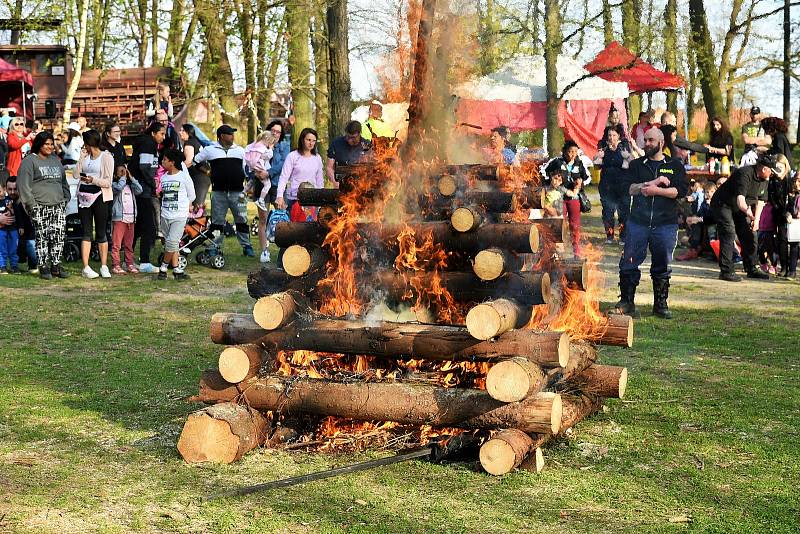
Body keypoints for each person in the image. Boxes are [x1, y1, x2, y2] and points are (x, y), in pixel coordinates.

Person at [615, 128, 688, 319]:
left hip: (665, 223)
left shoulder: (675, 165)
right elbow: (630, 189)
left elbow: (679, 191)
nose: (646, 143)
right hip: (638, 221)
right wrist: (647, 185)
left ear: (661, 142)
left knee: (662, 263)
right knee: (629, 261)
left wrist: (657, 191)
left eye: (650, 140)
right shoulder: (637, 165)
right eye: (645, 140)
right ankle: (627, 302)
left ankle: (660, 304)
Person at [711, 153, 779, 282]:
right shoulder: (745, 174)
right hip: (723, 204)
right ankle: (726, 271)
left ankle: (752, 267)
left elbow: (761, 201)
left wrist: (756, 220)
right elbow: (740, 199)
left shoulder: (765, 179)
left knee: (749, 233)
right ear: (764, 169)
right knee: (728, 232)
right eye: (771, 171)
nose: (772, 174)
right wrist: (749, 213)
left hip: (741, 207)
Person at [194, 124, 255, 257]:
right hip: (218, 192)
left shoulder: (240, 150)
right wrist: (207, 171)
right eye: (230, 134)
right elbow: (195, 161)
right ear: (222, 136)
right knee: (217, 222)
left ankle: (247, 246)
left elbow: (248, 168)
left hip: (238, 192)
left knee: (242, 220)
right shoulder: (210, 150)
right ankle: (214, 246)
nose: (233, 136)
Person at [16, 132, 71, 279]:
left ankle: (56, 265)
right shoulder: (29, 161)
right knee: (42, 237)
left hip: (58, 204)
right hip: (39, 205)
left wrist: (66, 197)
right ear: (39, 144)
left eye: (51, 144)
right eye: (46, 144)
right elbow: (23, 185)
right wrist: (31, 205)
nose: (50, 147)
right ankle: (44, 266)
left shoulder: (55, 160)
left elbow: (63, 181)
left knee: (58, 236)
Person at [73, 129, 114, 279]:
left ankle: (104, 265)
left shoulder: (106, 157)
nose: (84, 146)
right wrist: (81, 158)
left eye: (85, 142)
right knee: (87, 231)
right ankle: (86, 267)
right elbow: (76, 175)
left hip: (100, 196)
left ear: (90, 142)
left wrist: (93, 180)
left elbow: (108, 181)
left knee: (101, 232)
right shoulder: (85, 156)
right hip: (84, 196)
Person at [130, 122, 166, 273]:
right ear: (153, 133)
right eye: (161, 134)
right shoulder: (148, 144)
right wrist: (153, 185)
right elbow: (144, 167)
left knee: (138, 228)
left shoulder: (148, 143)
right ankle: (144, 261)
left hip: (143, 189)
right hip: (142, 190)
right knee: (150, 228)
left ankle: (128, 258)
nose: (163, 137)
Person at [157, 148, 195, 280]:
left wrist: (183, 207)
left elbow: (192, 196)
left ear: (172, 162)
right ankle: (177, 270)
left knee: (172, 242)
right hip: (165, 215)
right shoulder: (164, 178)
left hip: (179, 215)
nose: (162, 162)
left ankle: (163, 267)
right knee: (170, 243)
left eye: (164, 160)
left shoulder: (184, 177)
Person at [545, 140, 588, 256]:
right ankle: (558, 250)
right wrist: (553, 181)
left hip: (574, 197)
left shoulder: (579, 164)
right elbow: (546, 172)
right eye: (570, 151)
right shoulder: (557, 162)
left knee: (575, 224)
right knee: (560, 222)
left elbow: (586, 177)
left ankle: (576, 250)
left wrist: (579, 183)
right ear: (564, 152)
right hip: (559, 197)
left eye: (575, 151)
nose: (572, 154)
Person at [256, 120, 290, 264]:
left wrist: (268, 173)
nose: (275, 134)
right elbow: (250, 159)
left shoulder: (284, 146)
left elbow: (283, 164)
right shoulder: (259, 145)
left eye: (278, 132)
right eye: (273, 131)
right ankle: (264, 251)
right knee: (263, 219)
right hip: (261, 185)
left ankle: (285, 251)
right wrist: (256, 172)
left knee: (282, 217)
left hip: (277, 185)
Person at [594, 128, 633, 243]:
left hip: (623, 186)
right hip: (607, 186)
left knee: (624, 212)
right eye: (609, 135)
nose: (611, 138)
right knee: (607, 212)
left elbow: (633, 163)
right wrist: (597, 157)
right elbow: (596, 166)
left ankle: (623, 237)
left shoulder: (624, 148)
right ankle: (609, 236)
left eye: (614, 135)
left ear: (619, 136)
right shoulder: (603, 150)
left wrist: (627, 156)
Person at [276, 128, 324, 213]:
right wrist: (279, 196)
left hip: (312, 199)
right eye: (308, 140)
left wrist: (321, 197)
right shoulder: (292, 156)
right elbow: (284, 177)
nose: (311, 143)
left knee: (312, 225)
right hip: (294, 199)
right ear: (302, 140)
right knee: (294, 225)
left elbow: (319, 180)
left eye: (314, 141)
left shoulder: (317, 158)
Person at [110, 166, 142, 274]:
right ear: (115, 174)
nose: (124, 173)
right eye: (121, 172)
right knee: (117, 244)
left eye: (125, 171)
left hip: (131, 219)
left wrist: (131, 177)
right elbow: (119, 188)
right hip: (119, 219)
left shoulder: (130, 186)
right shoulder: (114, 185)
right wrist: (123, 177)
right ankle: (116, 265)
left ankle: (129, 263)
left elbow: (140, 189)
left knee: (129, 244)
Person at [3, 177, 38, 273]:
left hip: (27, 235)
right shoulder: (3, 201)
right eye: (10, 189)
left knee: (31, 244)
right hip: (7, 234)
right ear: (6, 189)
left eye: (15, 189)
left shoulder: (27, 201)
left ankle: (32, 264)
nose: (12, 192)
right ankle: (4, 265)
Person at [246, 130, 277, 212]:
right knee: (267, 185)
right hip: (260, 169)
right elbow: (269, 156)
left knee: (252, 181)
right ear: (267, 139)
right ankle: (261, 200)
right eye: (270, 142)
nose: (269, 145)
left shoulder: (255, 145)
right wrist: (270, 148)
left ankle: (243, 193)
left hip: (255, 168)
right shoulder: (262, 148)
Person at [180, 124, 209, 209]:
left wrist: (177, 171)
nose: (180, 132)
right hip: (203, 176)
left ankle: (201, 221)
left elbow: (189, 161)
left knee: (196, 206)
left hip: (199, 177)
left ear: (188, 132)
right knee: (196, 205)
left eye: (182, 131)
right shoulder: (196, 141)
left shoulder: (189, 143)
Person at [783, 174, 800, 279]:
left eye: (799, 181)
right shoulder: (792, 196)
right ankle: (792, 271)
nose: (797, 183)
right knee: (794, 247)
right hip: (795, 224)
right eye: (795, 180)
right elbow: (788, 209)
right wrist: (788, 215)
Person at [0, 179, 18, 273]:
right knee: (2, 249)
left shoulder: (10, 201)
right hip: (1, 230)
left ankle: (14, 266)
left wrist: (11, 210)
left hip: (12, 229)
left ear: (4, 189)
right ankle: (2, 266)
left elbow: (16, 213)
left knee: (13, 248)